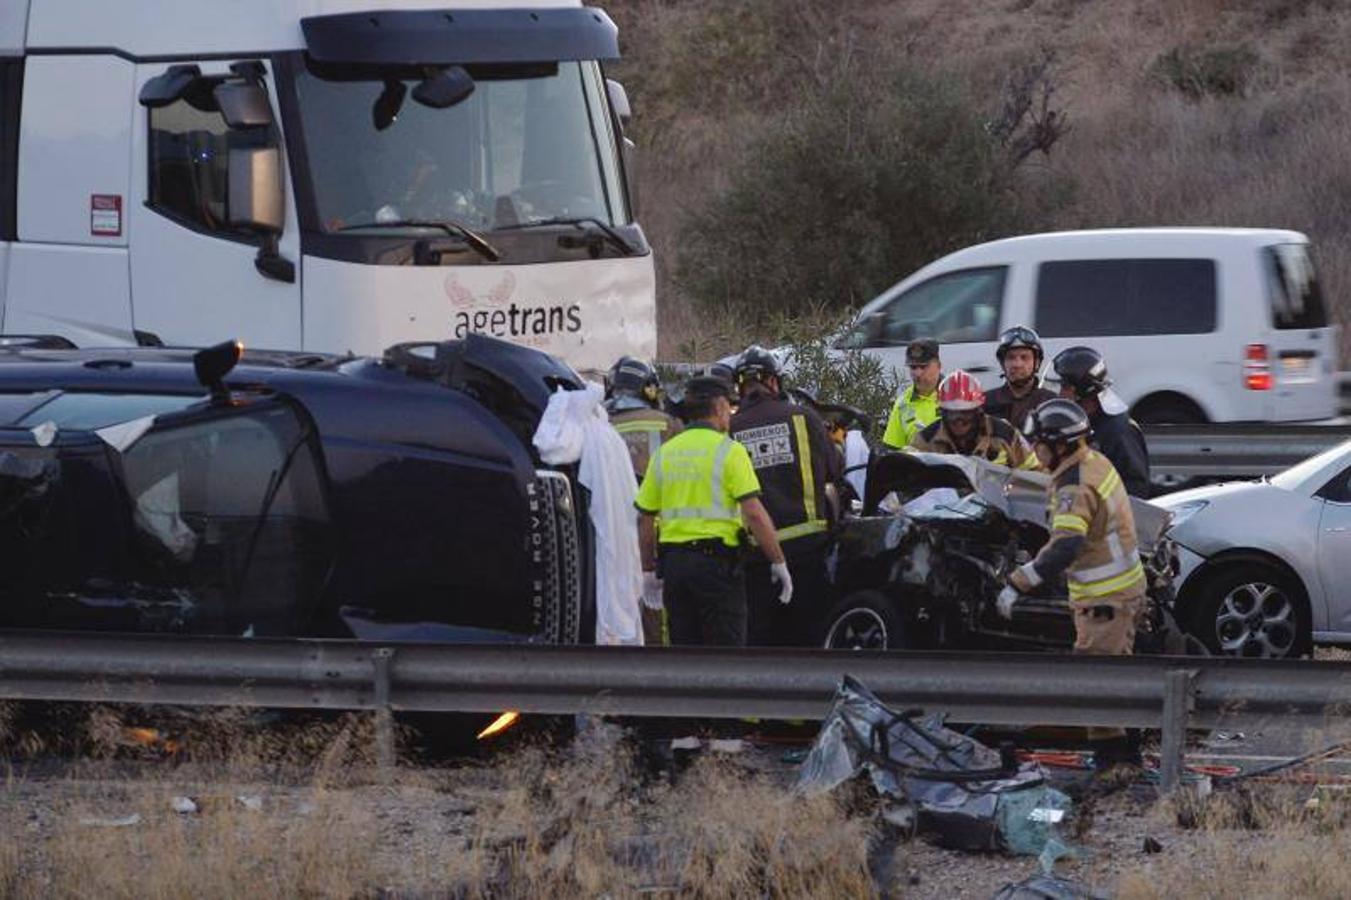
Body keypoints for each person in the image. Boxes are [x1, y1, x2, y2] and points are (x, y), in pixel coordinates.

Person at [999, 398, 1146, 775]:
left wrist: (1019, 583)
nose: (1034, 450)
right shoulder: (1093, 462)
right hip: (1122, 590)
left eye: (1039, 443)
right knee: (1116, 679)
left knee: (1097, 685)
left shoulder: (1073, 485)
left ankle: (1112, 767)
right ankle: (1127, 758)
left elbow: (1066, 544)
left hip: (1105, 600)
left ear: (1059, 444)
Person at [635, 375, 792, 648]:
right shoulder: (730, 451)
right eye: (728, 408)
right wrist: (778, 561)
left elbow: (646, 517)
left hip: (675, 568)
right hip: (717, 567)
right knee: (725, 656)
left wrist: (648, 569)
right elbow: (754, 513)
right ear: (719, 407)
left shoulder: (665, 453)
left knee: (685, 650)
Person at [729, 346, 842, 647]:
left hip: (756, 556)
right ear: (775, 382)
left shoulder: (729, 429)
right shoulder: (805, 418)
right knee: (807, 643)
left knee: (759, 645)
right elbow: (835, 469)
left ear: (740, 386)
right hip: (808, 552)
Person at [605, 356, 682, 645]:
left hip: (613, 534)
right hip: (660, 532)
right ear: (648, 389)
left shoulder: (602, 425)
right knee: (658, 611)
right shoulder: (667, 424)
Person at [1052, 346, 1151, 498]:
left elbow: (1137, 489)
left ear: (1082, 390)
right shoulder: (1079, 423)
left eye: (1065, 387)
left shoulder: (1120, 431)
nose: (1060, 394)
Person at [908, 370, 1040, 470]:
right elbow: (902, 468)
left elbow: (1034, 471)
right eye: (951, 412)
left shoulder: (1005, 434)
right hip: (941, 505)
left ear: (978, 411)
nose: (958, 419)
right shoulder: (926, 439)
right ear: (942, 412)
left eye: (965, 412)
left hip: (996, 504)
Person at [984, 325, 1057, 430]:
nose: (1017, 364)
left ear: (1036, 363)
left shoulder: (1050, 403)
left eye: (1024, 357)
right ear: (1002, 363)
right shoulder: (986, 402)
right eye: (1011, 357)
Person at [881, 339, 942, 449]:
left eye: (924, 367)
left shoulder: (954, 396)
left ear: (938, 366)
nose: (918, 374)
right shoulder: (903, 403)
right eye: (913, 367)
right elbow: (892, 448)